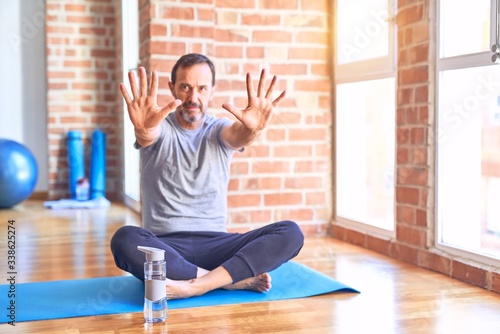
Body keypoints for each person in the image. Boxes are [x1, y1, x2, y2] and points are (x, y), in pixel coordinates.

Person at [110, 53, 304, 299]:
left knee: (291, 233)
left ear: (212, 90)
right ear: (172, 89)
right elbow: (149, 135)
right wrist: (143, 128)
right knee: (124, 239)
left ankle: (196, 284)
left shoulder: (218, 130)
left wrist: (252, 130)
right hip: (166, 246)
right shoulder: (160, 127)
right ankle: (226, 281)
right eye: (185, 87)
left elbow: (238, 135)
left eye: (201, 88)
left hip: (218, 245)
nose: (193, 97)